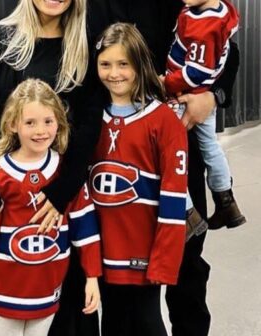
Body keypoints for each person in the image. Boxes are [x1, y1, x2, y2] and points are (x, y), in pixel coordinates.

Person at [85, 1, 241, 335]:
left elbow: (226, 49)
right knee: (119, 274)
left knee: (186, 260)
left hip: (177, 140)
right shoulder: (97, 5)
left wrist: (214, 95)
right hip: (120, 146)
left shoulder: (183, 2)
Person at [0, 0, 105, 335]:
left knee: (71, 322)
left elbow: (87, 130)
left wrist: (60, 194)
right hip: (8, 220)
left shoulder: (85, 47)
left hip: (62, 214)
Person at [91, 23, 188, 336]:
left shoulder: (163, 121)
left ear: (139, 65)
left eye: (124, 64)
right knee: (113, 324)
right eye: (105, 64)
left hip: (143, 254)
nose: (114, 73)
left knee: (147, 323)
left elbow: (174, 200)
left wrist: (163, 260)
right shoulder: (90, 117)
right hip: (102, 252)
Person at [163, 0, 245, 231]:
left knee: (170, 154)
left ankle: (188, 214)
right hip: (190, 91)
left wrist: (212, 96)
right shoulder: (215, 10)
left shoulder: (206, 22)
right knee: (207, 147)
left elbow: (203, 68)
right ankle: (226, 204)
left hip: (183, 94)